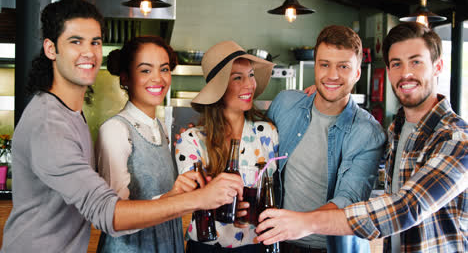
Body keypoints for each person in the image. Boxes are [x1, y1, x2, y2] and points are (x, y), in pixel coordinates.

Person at [1, 0, 243, 253]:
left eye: (95, 42)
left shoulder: (70, 113)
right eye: (75, 41)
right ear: (51, 49)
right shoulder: (49, 124)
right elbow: (107, 212)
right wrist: (197, 199)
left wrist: (179, 195)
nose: (89, 52)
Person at [257, 22, 468, 253]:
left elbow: (407, 207)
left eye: (416, 61)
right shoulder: (397, 130)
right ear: (388, 71)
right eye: (397, 64)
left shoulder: (457, 139)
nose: (406, 73)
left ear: (438, 66)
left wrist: (303, 222)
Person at [256, 25, 387, 253]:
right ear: (315, 67)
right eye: (324, 65)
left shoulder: (369, 133)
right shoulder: (285, 103)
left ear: (357, 73)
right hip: (277, 242)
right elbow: (253, 143)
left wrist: (298, 223)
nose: (332, 75)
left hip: (332, 247)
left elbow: (349, 200)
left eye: (343, 67)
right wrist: (201, 134)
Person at [175, 40, 279, 252]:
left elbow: (272, 192)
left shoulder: (268, 134)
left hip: (253, 246)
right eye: (237, 78)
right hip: (206, 247)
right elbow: (190, 200)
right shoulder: (191, 140)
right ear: (219, 88)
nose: (249, 84)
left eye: (251, 75)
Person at [94, 36, 192, 252]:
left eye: (164, 69)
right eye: (146, 70)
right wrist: (173, 198)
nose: (158, 78)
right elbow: (115, 219)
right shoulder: (115, 130)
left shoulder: (162, 128)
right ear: (126, 78)